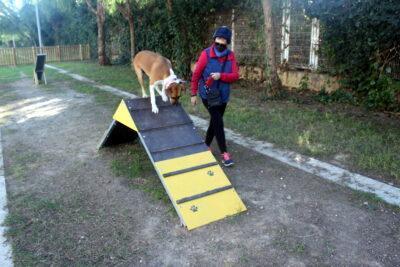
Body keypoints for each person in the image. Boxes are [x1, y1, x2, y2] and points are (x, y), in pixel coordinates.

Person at [190, 26, 239, 167]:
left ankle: (206, 146)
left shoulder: (231, 56)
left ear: (227, 41)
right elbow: (196, 74)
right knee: (218, 121)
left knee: (215, 121)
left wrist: (221, 76)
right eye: (218, 38)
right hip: (207, 94)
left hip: (223, 95)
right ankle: (224, 154)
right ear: (214, 39)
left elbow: (235, 76)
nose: (220, 42)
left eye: (223, 39)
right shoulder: (206, 54)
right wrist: (193, 93)